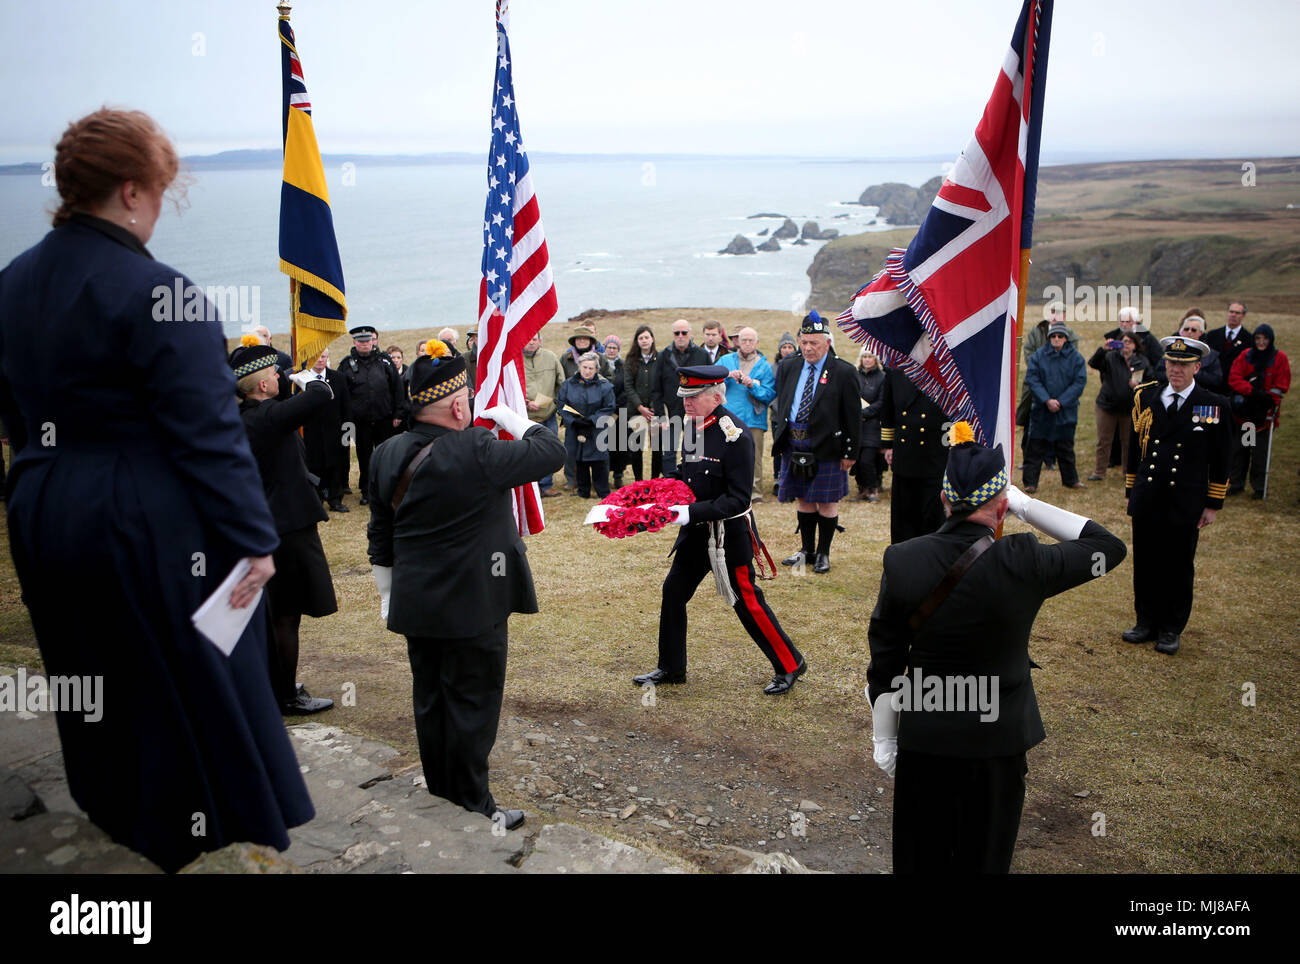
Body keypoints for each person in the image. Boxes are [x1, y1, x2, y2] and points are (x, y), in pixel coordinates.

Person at [0, 108, 313, 871]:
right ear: (134, 191)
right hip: (140, 517)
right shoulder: (158, 292)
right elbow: (209, 436)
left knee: (87, 666)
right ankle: (184, 828)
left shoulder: (11, 284)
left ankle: (112, 804)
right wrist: (254, 543)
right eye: (163, 193)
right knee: (175, 677)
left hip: (40, 506)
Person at [867, 423, 1126, 872]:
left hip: (927, 736)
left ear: (944, 498)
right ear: (1002, 505)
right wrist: (1026, 506)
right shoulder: (1025, 559)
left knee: (919, 857)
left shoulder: (902, 558)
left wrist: (884, 735)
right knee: (984, 858)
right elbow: (1108, 546)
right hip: (998, 738)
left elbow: (886, 661)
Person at [366, 343, 564, 830]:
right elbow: (552, 452)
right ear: (459, 405)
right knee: (473, 705)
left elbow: (379, 534)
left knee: (431, 702)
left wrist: (388, 595)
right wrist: (516, 418)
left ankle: (441, 794)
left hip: (416, 604)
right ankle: (475, 806)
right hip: (474, 606)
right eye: (470, 398)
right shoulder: (476, 448)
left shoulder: (384, 453)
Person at [632, 366, 806, 695]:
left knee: (747, 602)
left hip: (727, 537)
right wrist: (658, 497)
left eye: (693, 397)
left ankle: (790, 663)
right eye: (684, 396)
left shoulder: (735, 436)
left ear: (716, 395)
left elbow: (737, 500)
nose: (686, 402)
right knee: (673, 593)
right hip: (695, 534)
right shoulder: (694, 426)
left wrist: (687, 511)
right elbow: (689, 476)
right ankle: (671, 667)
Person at [230, 339, 338, 716]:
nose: (279, 376)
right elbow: (322, 392)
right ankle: (285, 697)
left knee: (276, 614)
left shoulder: (243, 417)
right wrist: (302, 375)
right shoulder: (267, 417)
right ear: (262, 385)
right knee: (286, 616)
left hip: (266, 525)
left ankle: (276, 685)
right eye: (274, 373)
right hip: (286, 528)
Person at [1125, 336, 1231, 655]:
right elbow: (1135, 449)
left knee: (1178, 564)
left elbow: (1222, 457)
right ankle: (1145, 621)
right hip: (1149, 494)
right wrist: (1132, 490)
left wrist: (1213, 504)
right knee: (1146, 561)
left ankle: (1171, 627)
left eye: (1183, 365)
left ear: (1197, 367)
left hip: (1185, 498)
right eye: (1172, 363)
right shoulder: (1146, 397)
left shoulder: (1211, 404)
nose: (1176, 370)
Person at [771, 311, 860, 574]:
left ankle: (824, 553)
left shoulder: (843, 371)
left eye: (814, 343)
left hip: (827, 446)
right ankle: (806, 550)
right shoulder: (789, 366)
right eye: (804, 342)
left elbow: (853, 417)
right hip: (794, 442)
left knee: (827, 501)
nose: (808, 348)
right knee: (803, 499)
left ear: (827, 343)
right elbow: (783, 401)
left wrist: (850, 452)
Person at [878, 368, 948, 543]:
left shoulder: (947, 370)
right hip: (904, 453)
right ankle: (902, 555)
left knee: (932, 513)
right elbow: (887, 408)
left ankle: (931, 556)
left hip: (935, 454)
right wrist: (888, 445)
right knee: (904, 513)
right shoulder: (896, 370)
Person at [343, 324, 407, 505]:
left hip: (384, 419)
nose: (365, 344)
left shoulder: (385, 362)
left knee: (385, 454)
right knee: (364, 457)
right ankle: (367, 491)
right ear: (355, 342)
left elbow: (397, 389)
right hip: (360, 421)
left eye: (368, 341)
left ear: (373, 342)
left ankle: (386, 488)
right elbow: (344, 395)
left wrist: (398, 413)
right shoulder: (346, 365)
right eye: (361, 342)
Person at [1022, 322, 1088, 493]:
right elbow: (1033, 378)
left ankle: (1071, 480)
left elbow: (1079, 382)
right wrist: (1046, 400)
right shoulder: (1039, 356)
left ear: (1066, 339)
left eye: (1060, 336)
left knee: (1066, 448)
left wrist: (1061, 401)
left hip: (1066, 411)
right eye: (1053, 336)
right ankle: (1030, 483)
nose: (1057, 339)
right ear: (1049, 338)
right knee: (1035, 448)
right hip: (1042, 410)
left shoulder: (1076, 358)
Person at [1227, 324, 1290, 498]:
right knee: (1241, 448)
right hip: (1245, 412)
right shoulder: (1245, 356)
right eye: (1258, 339)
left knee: (1260, 451)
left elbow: (1282, 385)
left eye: (1265, 339)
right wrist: (1251, 391)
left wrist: (1268, 398)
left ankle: (1259, 486)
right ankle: (1237, 482)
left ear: (1271, 340)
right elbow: (1234, 377)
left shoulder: (1279, 358)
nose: (1261, 342)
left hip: (1264, 414)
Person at [718, 326, 776, 502]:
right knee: (726, 455)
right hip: (729, 417)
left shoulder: (764, 366)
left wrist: (753, 386)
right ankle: (726, 488)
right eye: (744, 340)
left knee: (754, 456)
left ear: (757, 343)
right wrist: (728, 374)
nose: (747, 343)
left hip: (754, 419)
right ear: (737, 342)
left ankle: (755, 492)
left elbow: (769, 394)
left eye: (751, 340)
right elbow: (712, 380)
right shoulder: (725, 360)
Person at [1017, 301, 1079, 463]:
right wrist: (1041, 369)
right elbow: (1028, 352)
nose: (1055, 315)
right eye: (1052, 311)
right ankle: (1027, 459)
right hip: (1035, 387)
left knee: (1057, 424)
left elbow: (1073, 359)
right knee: (1030, 423)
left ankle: (1050, 460)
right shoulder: (1037, 331)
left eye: (1059, 312)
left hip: (1059, 388)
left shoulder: (1070, 335)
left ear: (1064, 315)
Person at [1087, 332, 1148, 482]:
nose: (1126, 344)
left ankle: (1129, 472)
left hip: (1130, 409)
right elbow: (1093, 363)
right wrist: (1104, 349)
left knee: (1128, 442)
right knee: (1104, 440)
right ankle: (1099, 471)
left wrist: (1140, 385)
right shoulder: (1110, 357)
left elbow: (1151, 379)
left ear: (1135, 345)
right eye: (1123, 341)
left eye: (1129, 342)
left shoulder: (1141, 361)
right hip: (1107, 406)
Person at [651, 319, 709, 475]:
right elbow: (656, 389)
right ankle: (669, 484)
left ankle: (693, 481)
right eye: (677, 333)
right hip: (671, 412)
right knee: (669, 453)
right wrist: (660, 416)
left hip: (696, 412)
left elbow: (710, 386)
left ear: (691, 333)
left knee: (694, 452)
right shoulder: (663, 356)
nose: (681, 336)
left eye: (684, 332)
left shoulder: (702, 355)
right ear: (673, 334)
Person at [301, 348, 354, 512]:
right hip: (311, 432)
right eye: (317, 357)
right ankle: (316, 499)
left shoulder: (338, 378)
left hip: (335, 431)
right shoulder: (302, 379)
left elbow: (346, 406)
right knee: (314, 465)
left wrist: (348, 432)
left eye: (323, 357)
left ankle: (335, 499)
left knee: (336, 465)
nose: (320, 360)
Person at [557, 352, 616, 499]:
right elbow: (561, 405)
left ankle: (602, 490)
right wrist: (573, 421)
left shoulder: (605, 386)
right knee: (579, 458)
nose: (587, 371)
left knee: (599, 460)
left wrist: (592, 420)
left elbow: (609, 406)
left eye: (591, 368)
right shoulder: (568, 384)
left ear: (597, 369)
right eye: (585, 367)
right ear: (579, 367)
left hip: (597, 429)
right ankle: (582, 490)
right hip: (575, 428)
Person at [522, 329, 565, 497]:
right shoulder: (514, 361)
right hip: (525, 417)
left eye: (534, 339)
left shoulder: (551, 357)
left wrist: (555, 403)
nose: (531, 342)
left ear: (540, 341)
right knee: (529, 453)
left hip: (548, 415)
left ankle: (546, 485)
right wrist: (526, 403)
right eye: (528, 339)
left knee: (550, 450)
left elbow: (561, 383)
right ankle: (531, 488)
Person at [622, 324, 660, 480]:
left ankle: (655, 480)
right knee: (636, 448)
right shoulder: (631, 360)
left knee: (657, 448)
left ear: (652, 339)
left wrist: (652, 407)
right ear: (637, 341)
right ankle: (638, 481)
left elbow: (661, 383)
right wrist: (640, 407)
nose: (644, 341)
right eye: (641, 338)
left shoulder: (660, 358)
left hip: (655, 411)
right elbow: (628, 386)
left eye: (647, 337)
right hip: (635, 411)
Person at [1156, 313, 1223, 393]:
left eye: (1193, 330)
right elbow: (1158, 373)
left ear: (1201, 333)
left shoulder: (1211, 355)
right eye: (1186, 329)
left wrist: (1190, 372)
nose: (1189, 332)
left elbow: (1216, 380)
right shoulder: (1171, 351)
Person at [854, 348, 888, 501]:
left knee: (867, 460)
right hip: (856, 425)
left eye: (870, 357)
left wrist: (865, 412)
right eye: (864, 357)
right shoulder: (855, 376)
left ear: (876, 359)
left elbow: (882, 402)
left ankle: (872, 488)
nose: (867, 360)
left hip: (873, 425)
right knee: (857, 460)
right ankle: (861, 489)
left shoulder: (882, 378)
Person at [602, 334, 633, 488]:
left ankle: (618, 475)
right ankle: (603, 475)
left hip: (620, 413)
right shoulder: (598, 364)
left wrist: (617, 407)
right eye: (609, 347)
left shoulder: (624, 365)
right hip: (603, 412)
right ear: (604, 348)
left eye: (615, 348)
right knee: (604, 445)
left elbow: (627, 387)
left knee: (620, 445)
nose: (612, 350)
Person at [769, 331, 798, 492]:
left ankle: (791, 479)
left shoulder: (799, 366)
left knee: (792, 447)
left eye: (790, 347)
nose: (787, 350)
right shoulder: (773, 368)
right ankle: (778, 479)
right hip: (777, 414)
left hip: (793, 415)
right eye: (784, 347)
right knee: (779, 447)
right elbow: (771, 390)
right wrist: (776, 406)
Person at [1204, 301, 1252, 377]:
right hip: (1213, 381)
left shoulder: (1249, 339)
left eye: (1237, 313)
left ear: (1243, 316)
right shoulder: (1212, 335)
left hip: (1235, 382)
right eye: (1231, 312)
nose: (1233, 315)